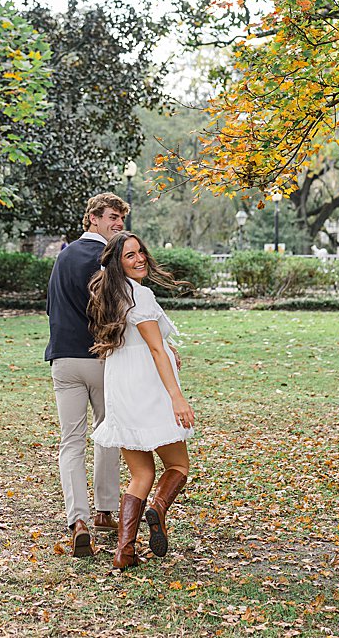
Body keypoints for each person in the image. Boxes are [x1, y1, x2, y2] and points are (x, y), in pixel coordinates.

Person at [88, 231, 195, 570]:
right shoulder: (142, 295)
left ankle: (124, 553)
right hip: (148, 386)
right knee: (178, 466)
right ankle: (158, 509)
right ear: (118, 264)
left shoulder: (110, 293)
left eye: (140, 252)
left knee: (141, 473)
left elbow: (141, 339)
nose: (139, 259)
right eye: (129, 256)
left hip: (120, 385)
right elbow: (152, 347)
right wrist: (176, 397)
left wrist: (168, 347)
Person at [46, 192, 129, 558]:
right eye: (113, 217)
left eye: (122, 220)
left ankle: (76, 520)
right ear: (92, 218)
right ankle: (104, 512)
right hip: (100, 358)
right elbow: (120, 309)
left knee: (71, 442)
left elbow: (51, 305)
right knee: (107, 434)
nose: (119, 225)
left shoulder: (62, 256)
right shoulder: (108, 258)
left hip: (63, 359)